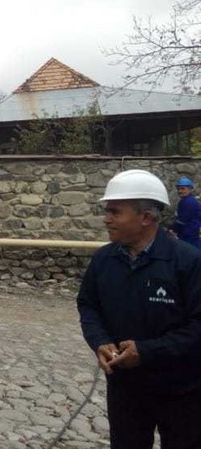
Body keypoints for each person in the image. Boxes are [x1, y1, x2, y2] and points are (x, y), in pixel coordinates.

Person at [77, 169, 201, 449]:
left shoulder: (188, 262)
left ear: (146, 218)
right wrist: (100, 342)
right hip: (126, 389)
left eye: (115, 212)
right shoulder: (104, 260)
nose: (106, 218)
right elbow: (88, 305)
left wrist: (146, 351)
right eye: (107, 211)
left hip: (183, 390)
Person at [169, 176, 201, 248]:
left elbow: (182, 220)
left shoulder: (189, 202)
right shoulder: (186, 200)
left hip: (190, 233)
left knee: (192, 252)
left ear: (190, 189)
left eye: (183, 188)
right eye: (178, 189)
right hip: (189, 232)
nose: (180, 191)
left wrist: (172, 229)